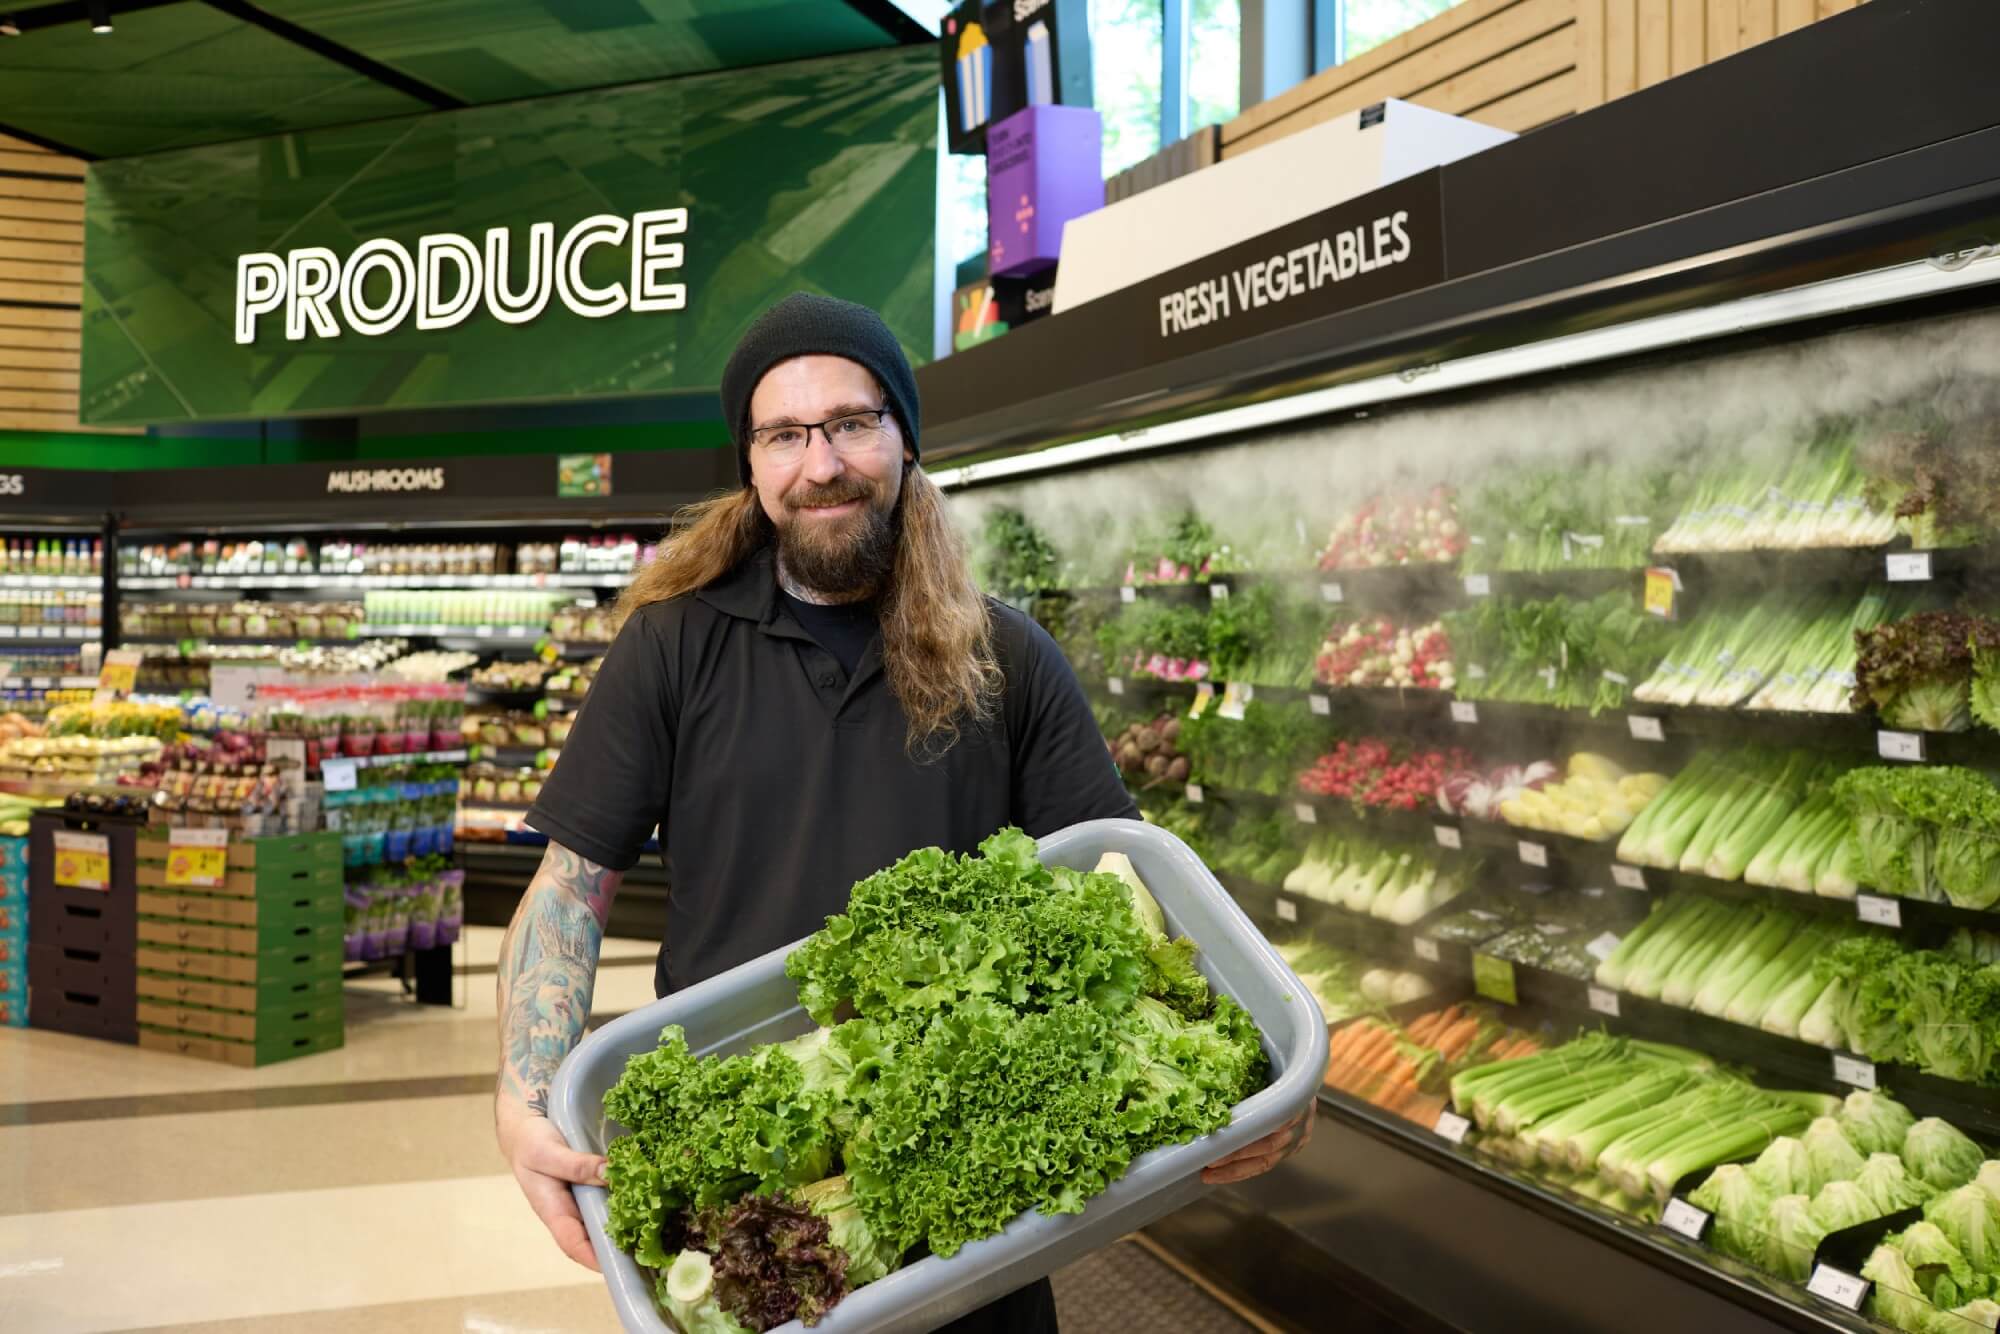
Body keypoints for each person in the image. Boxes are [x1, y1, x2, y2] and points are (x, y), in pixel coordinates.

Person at [494, 293, 1312, 1331]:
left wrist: (1267, 1070)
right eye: (783, 433)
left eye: (849, 422)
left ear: (904, 441)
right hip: (751, 1171)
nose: (819, 462)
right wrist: (522, 1096)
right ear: (749, 462)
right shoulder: (670, 645)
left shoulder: (1005, 655)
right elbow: (571, 886)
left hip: (970, 1201)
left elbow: (1132, 888)